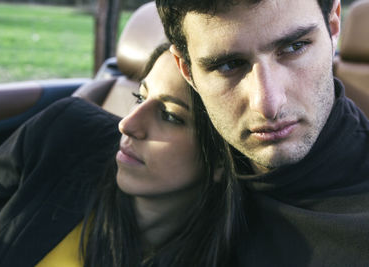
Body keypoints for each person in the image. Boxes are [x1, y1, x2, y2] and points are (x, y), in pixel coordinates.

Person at [0, 44, 242, 267]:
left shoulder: (242, 248)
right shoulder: (62, 133)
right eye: (139, 97)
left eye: (170, 116)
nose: (127, 124)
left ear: (220, 159)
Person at [156, 0, 369, 266]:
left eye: (295, 47)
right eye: (228, 65)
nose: (268, 104)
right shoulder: (158, 176)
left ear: (333, 25)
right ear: (186, 70)